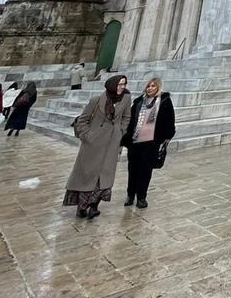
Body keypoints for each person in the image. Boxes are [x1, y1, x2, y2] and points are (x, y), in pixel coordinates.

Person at [65, 74, 130, 219]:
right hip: (93, 145)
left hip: (112, 144)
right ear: (112, 85)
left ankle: (94, 206)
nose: (122, 87)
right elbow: (82, 120)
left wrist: (120, 131)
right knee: (87, 176)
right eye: (119, 84)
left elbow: (127, 117)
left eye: (124, 84)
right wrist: (88, 136)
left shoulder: (125, 99)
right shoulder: (96, 100)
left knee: (104, 177)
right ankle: (82, 207)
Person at [122, 76, 175, 209]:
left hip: (151, 142)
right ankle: (130, 195)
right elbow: (131, 120)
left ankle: (141, 197)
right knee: (132, 169)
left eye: (153, 86)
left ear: (158, 87)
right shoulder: (139, 101)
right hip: (135, 141)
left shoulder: (164, 101)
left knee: (145, 170)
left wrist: (167, 136)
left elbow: (170, 120)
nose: (150, 88)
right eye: (148, 86)